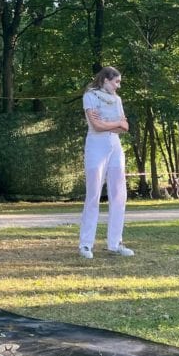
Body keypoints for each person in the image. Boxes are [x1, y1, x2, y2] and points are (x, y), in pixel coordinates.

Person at [78, 66, 133, 259]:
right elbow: (96, 125)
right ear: (105, 80)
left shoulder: (117, 100)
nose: (118, 86)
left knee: (119, 194)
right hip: (95, 146)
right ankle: (86, 244)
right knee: (93, 194)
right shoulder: (90, 96)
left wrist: (115, 125)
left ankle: (115, 242)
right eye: (116, 82)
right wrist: (116, 123)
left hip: (114, 146)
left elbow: (124, 127)